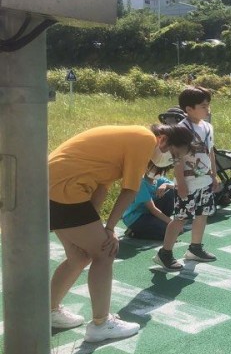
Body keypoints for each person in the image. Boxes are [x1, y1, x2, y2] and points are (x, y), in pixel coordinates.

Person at [48, 124, 192, 342]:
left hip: (53, 185)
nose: (172, 161)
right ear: (163, 139)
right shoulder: (145, 139)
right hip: (65, 187)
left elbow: (101, 187)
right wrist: (109, 229)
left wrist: (96, 224)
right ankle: (101, 324)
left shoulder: (129, 140)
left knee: (79, 256)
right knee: (105, 252)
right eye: (174, 155)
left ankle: (49, 311)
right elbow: (130, 190)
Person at [155, 86, 220, 270]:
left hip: (204, 181)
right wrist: (181, 183)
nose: (208, 109)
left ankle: (195, 248)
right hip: (188, 183)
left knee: (202, 213)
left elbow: (210, 152)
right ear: (189, 109)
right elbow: (177, 158)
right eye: (203, 106)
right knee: (181, 217)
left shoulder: (208, 127)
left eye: (208, 105)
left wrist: (214, 175)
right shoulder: (181, 129)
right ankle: (165, 253)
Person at [121, 165, 175, 240]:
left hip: (148, 213)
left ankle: (161, 222)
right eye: (154, 168)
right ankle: (133, 233)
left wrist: (166, 185)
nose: (157, 172)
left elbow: (176, 186)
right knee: (169, 232)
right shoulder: (141, 183)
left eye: (161, 170)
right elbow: (153, 209)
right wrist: (172, 223)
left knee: (171, 191)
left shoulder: (159, 180)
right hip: (136, 218)